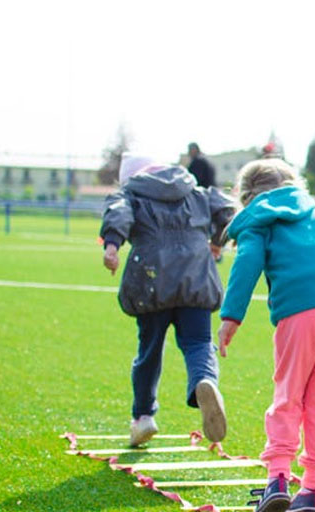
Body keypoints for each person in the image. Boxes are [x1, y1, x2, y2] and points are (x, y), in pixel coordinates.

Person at [216, 159, 315, 512]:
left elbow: (248, 262)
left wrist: (231, 316)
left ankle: (277, 481)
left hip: (299, 314)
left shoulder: (260, 221)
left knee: (288, 396)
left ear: (247, 197)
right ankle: (313, 490)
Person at [99, 153, 237, 447]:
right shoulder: (193, 189)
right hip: (197, 278)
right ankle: (205, 381)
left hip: (151, 281)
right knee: (199, 343)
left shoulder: (132, 193)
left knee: (149, 350)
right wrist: (216, 242)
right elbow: (227, 210)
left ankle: (144, 417)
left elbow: (118, 213)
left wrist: (112, 246)